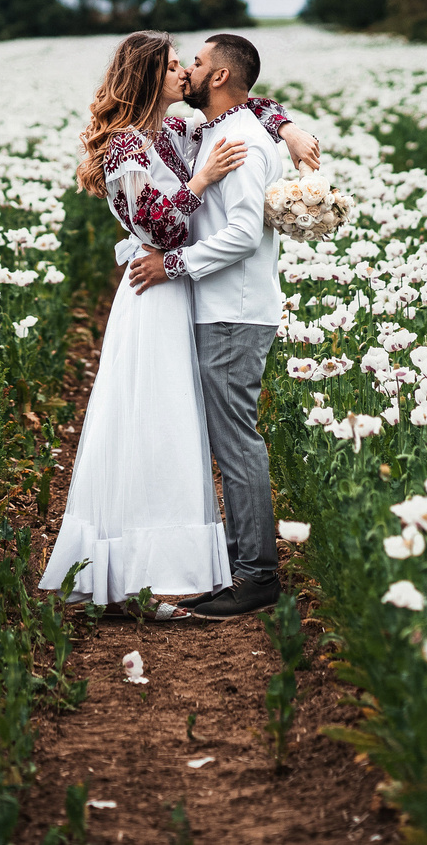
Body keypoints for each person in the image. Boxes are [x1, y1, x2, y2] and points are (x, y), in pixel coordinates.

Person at [39, 31, 318, 616]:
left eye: (191, 64)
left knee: (181, 430)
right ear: (148, 80)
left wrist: (287, 126)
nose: (186, 73)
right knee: (149, 425)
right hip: (158, 287)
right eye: (173, 66)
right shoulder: (125, 147)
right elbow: (161, 228)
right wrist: (199, 184)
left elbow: (243, 101)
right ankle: (138, 565)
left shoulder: (177, 130)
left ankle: (224, 571)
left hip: (184, 287)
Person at [126, 31, 287, 620]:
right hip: (221, 306)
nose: (188, 71)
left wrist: (173, 265)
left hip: (232, 309)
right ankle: (242, 563)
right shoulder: (221, 130)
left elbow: (243, 234)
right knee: (229, 437)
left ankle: (256, 576)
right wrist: (289, 124)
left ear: (219, 77)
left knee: (235, 439)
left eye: (195, 62)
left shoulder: (239, 139)